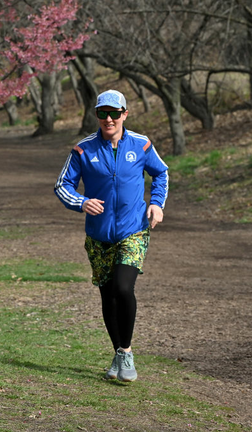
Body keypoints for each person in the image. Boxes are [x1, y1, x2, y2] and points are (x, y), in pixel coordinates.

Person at [54, 89, 169, 382]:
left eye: (115, 113)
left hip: (133, 230)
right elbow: (62, 186)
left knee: (122, 287)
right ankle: (118, 352)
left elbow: (161, 174)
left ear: (124, 115)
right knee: (107, 295)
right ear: (96, 116)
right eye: (103, 113)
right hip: (98, 235)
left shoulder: (141, 145)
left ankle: (127, 352)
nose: (109, 119)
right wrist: (81, 202)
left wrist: (156, 204)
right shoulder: (83, 149)